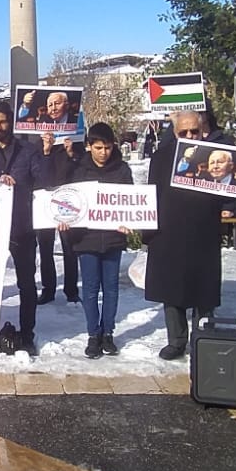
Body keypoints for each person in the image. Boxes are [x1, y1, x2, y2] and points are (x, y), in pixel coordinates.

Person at [145, 110, 236, 360]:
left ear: (203, 130)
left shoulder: (218, 156)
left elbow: (232, 192)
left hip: (203, 232)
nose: (190, 136)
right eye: (184, 132)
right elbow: (151, 194)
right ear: (175, 132)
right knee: (172, 291)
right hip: (169, 234)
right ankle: (176, 340)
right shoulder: (161, 157)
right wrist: (148, 233)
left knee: (203, 291)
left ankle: (202, 338)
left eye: (195, 131)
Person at [0, 101, 55, 355]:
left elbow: (44, 182)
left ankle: (27, 333)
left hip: (22, 226)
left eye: (2, 122)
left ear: (10, 121)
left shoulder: (28, 151)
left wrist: (46, 153)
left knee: (26, 283)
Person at [57, 122, 134, 358]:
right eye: (99, 147)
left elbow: (131, 200)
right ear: (90, 146)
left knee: (110, 288)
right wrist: (63, 219)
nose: (104, 152)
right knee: (90, 289)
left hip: (113, 238)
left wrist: (129, 221)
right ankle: (93, 334)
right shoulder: (79, 170)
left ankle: (108, 333)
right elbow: (65, 197)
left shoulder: (122, 170)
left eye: (108, 147)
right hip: (86, 238)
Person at [35, 138, 80, 305]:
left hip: (67, 198)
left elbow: (80, 167)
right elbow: (35, 170)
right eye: (48, 108)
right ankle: (48, 289)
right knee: (45, 248)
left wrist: (71, 154)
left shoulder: (74, 136)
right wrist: (46, 151)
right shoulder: (36, 140)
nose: (52, 109)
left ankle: (71, 290)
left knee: (69, 248)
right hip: (44, 199)